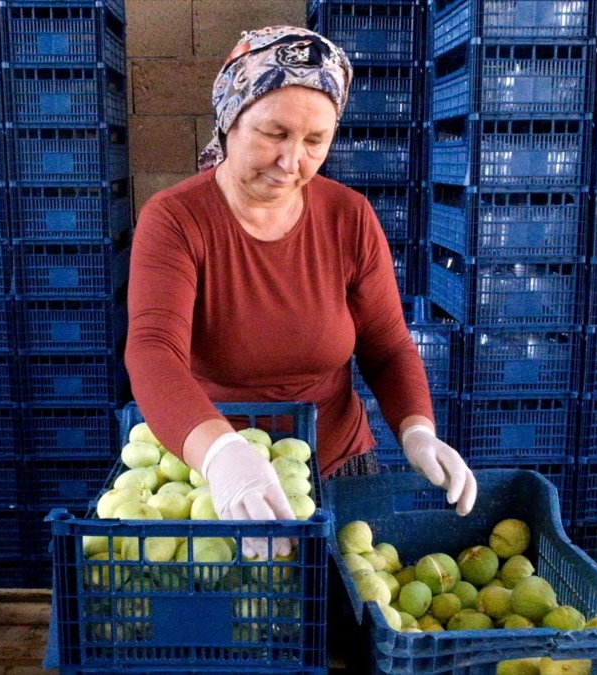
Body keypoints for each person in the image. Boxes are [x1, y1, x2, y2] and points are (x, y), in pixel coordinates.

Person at [124, 26, 477, 554]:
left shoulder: (348, 217)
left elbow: (387, 346)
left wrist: (417, 429)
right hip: (213, 474)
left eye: (315, 141)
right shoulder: (177, 219)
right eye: (273, 133)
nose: (292, 161)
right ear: (229, 121)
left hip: (338, 465)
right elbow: (153, 352)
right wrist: (222, 455)